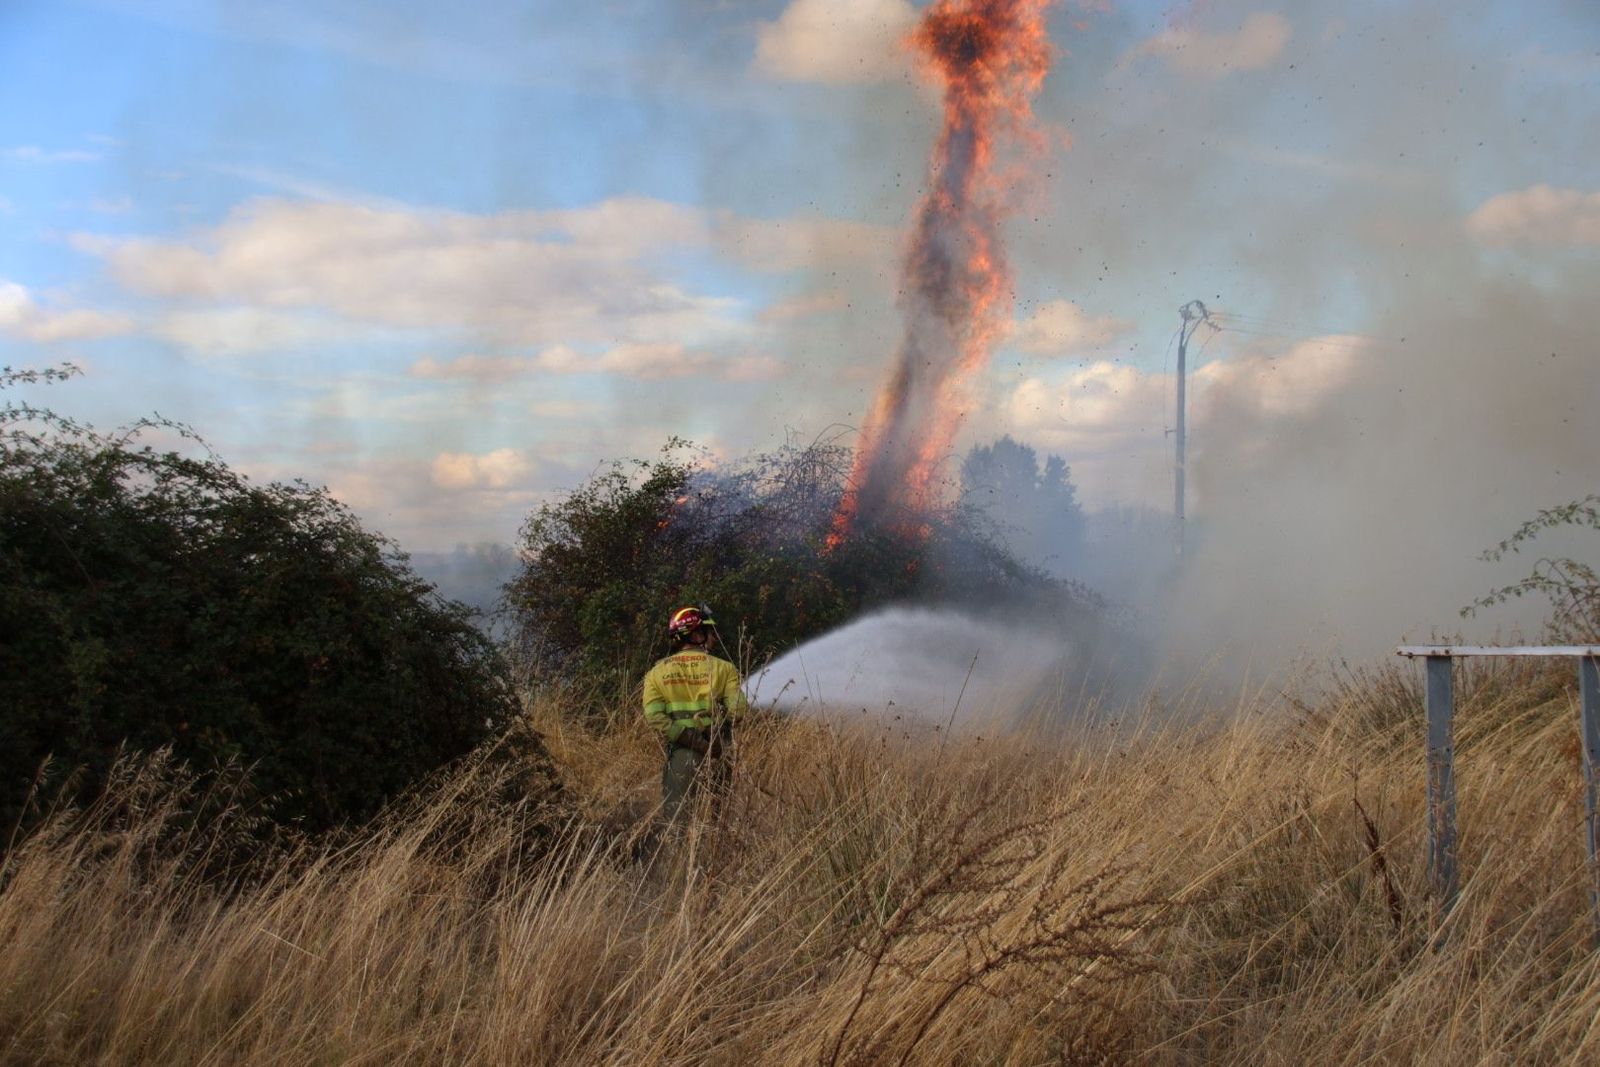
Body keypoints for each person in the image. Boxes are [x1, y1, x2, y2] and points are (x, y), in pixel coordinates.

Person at [641, 604, 747, 821]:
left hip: (681, 758)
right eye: (710, 633)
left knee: (677, 824)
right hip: (719, 756)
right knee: (718, 823)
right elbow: (738, 711)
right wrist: (713, 738)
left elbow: (654, 717)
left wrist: (690, 739)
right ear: (697, 635)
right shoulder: (725, 668)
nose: (715, 639)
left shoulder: (656, 673)